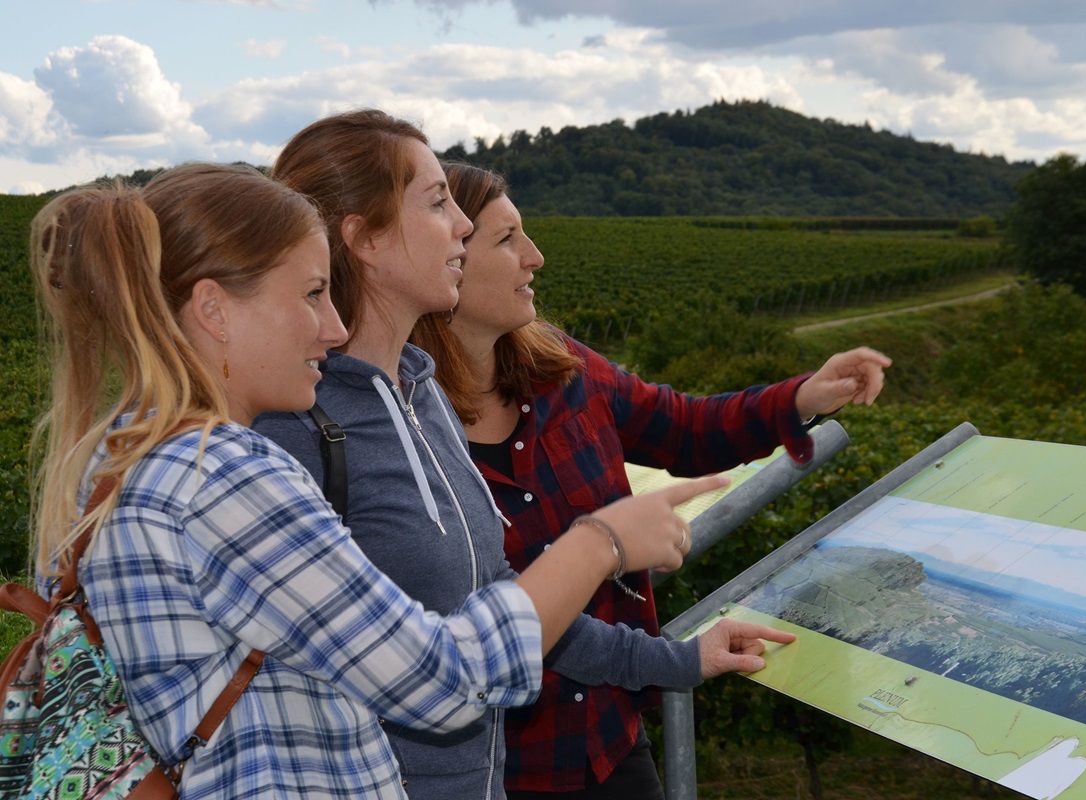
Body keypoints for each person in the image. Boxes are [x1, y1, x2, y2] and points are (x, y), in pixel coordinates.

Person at [29, 163, 721, 800]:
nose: (332, 329)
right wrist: (599, 542)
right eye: (311, 294)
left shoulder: (112, 458)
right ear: (213, 309)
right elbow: (443, 680)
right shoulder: (225, 476)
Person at [254, 110, 794, 800]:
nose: (460, 226)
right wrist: (600, 544)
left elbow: (506, 600)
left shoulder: (420, 395)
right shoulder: (295, 428)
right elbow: (433, 677)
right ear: (364, 239)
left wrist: (677, 660)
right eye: (437, 202)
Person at [409, 162, 893, 799]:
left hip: (608, 742)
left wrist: (804, 395)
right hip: (496, 769)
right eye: (506, 240)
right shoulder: (406, 433)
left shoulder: (566, 369)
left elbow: (686, 429)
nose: (535, 256)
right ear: (445, 260)